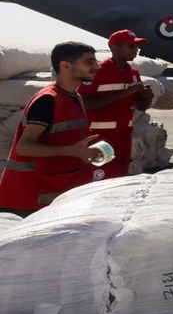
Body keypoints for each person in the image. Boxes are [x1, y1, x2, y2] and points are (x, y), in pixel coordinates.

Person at [0, 42, 103, 215]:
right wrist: (73, 151)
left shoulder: (74, 96)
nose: (97, 66)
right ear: (65, 65)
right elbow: (24, 147)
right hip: (33, 202)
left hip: (56, 194)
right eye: (89, 62)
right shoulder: (48, 100)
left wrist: (83, 152)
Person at [79, 29, 154, 179]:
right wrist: (124, 93)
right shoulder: (97, 71)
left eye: (137, 47)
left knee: (119, 178)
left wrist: (146, 97)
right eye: (131, 46)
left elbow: (140, 107)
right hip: (100, 137)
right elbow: (84, 104)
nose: (136, 50)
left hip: (124, 136)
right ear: (114, 48)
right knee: (101, 179)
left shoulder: (132, 73)